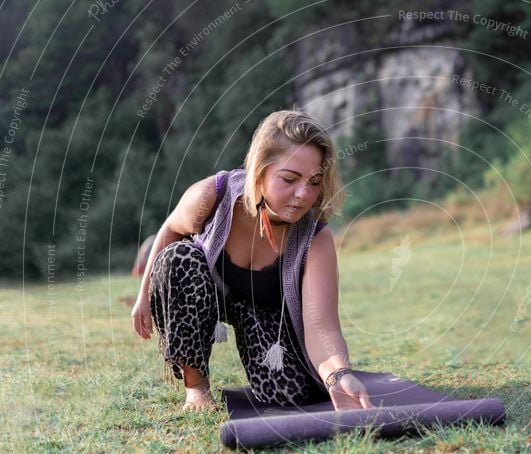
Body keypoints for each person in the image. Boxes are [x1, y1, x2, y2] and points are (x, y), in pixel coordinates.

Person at [130, 109, 373, 412]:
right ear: (260, 171)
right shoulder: (213, 195)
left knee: (291, 396)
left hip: (264, 310)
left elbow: (321, 324)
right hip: (209, 293)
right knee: (179, 258)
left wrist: (338, 376)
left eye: (314, 182)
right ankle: (196, 387)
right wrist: (143, 295)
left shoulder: (315, 238)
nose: (303, 194)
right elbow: (171, 229)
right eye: (289, 179)